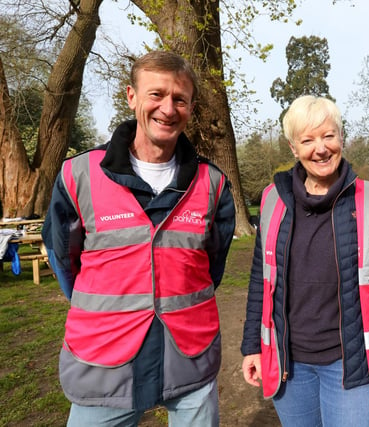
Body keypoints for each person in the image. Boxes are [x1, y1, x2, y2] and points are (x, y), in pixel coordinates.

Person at [42, 50, 235, 426]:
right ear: (131, 96)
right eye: (156, 94)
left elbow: (213, 265)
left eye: (180, 98)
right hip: (104, 359)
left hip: (189, 356)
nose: (168, 108)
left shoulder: (213, 184)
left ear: (191, 107)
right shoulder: (78, 174)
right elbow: (65, 262)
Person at [241, 95, 369, 426]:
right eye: (307, 140)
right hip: (290, 366)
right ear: (293, 148)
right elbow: (261, 281)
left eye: (328, 136)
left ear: (341, 137)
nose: (321, 148)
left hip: (352, 367)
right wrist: (252, 346)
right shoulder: (273, 200)